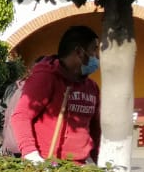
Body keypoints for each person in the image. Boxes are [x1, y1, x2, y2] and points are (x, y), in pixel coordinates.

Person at [11, 25, 101, 164]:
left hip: (80, 167)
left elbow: (95, 129)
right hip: (47, 166)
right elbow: (21, 116)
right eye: (94, 50)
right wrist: (30, 154)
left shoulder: (92, 87)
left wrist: (96, 160)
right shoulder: (45, 78)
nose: (98, 57)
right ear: (79, 52)